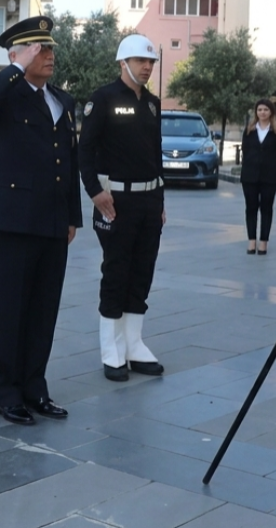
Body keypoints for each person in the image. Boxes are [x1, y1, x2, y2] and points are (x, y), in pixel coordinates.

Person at [0, 16, 82, 426]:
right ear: (18, 54)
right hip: (10, 221)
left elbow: (67, 163)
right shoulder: (3, 97)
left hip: (51, 222)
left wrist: (72, 216)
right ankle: (6, 391)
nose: (49, 55)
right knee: (9, 310)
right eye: (40, 49)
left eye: (51, 48)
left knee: (42, 310)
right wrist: (17, 68)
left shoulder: (61, 102)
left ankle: (35, 386)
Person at [78, 35, 167, 381]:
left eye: (151, 62)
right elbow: (84, 151)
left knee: (142, 272)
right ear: (122, 63)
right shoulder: (102, 99)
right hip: (115, 200)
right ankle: (111, 350)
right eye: (140, 61)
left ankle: (134, 345)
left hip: (148, 200)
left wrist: (159, 199)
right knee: (117, 272)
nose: (147, 67)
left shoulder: (153, 104)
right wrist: (94, 193)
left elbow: (154, 155)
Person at [240, 98, 276, 256]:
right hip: (250, 175)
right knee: (251, 208)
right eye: (260, 109)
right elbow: (245, 150)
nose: (262, 112)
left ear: (271, 112)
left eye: (266, 110)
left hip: (269, 176)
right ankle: (251, 241)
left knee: (266, 209)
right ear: (256, 112)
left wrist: (271, 164)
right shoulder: (249, 130)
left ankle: (263, 243)